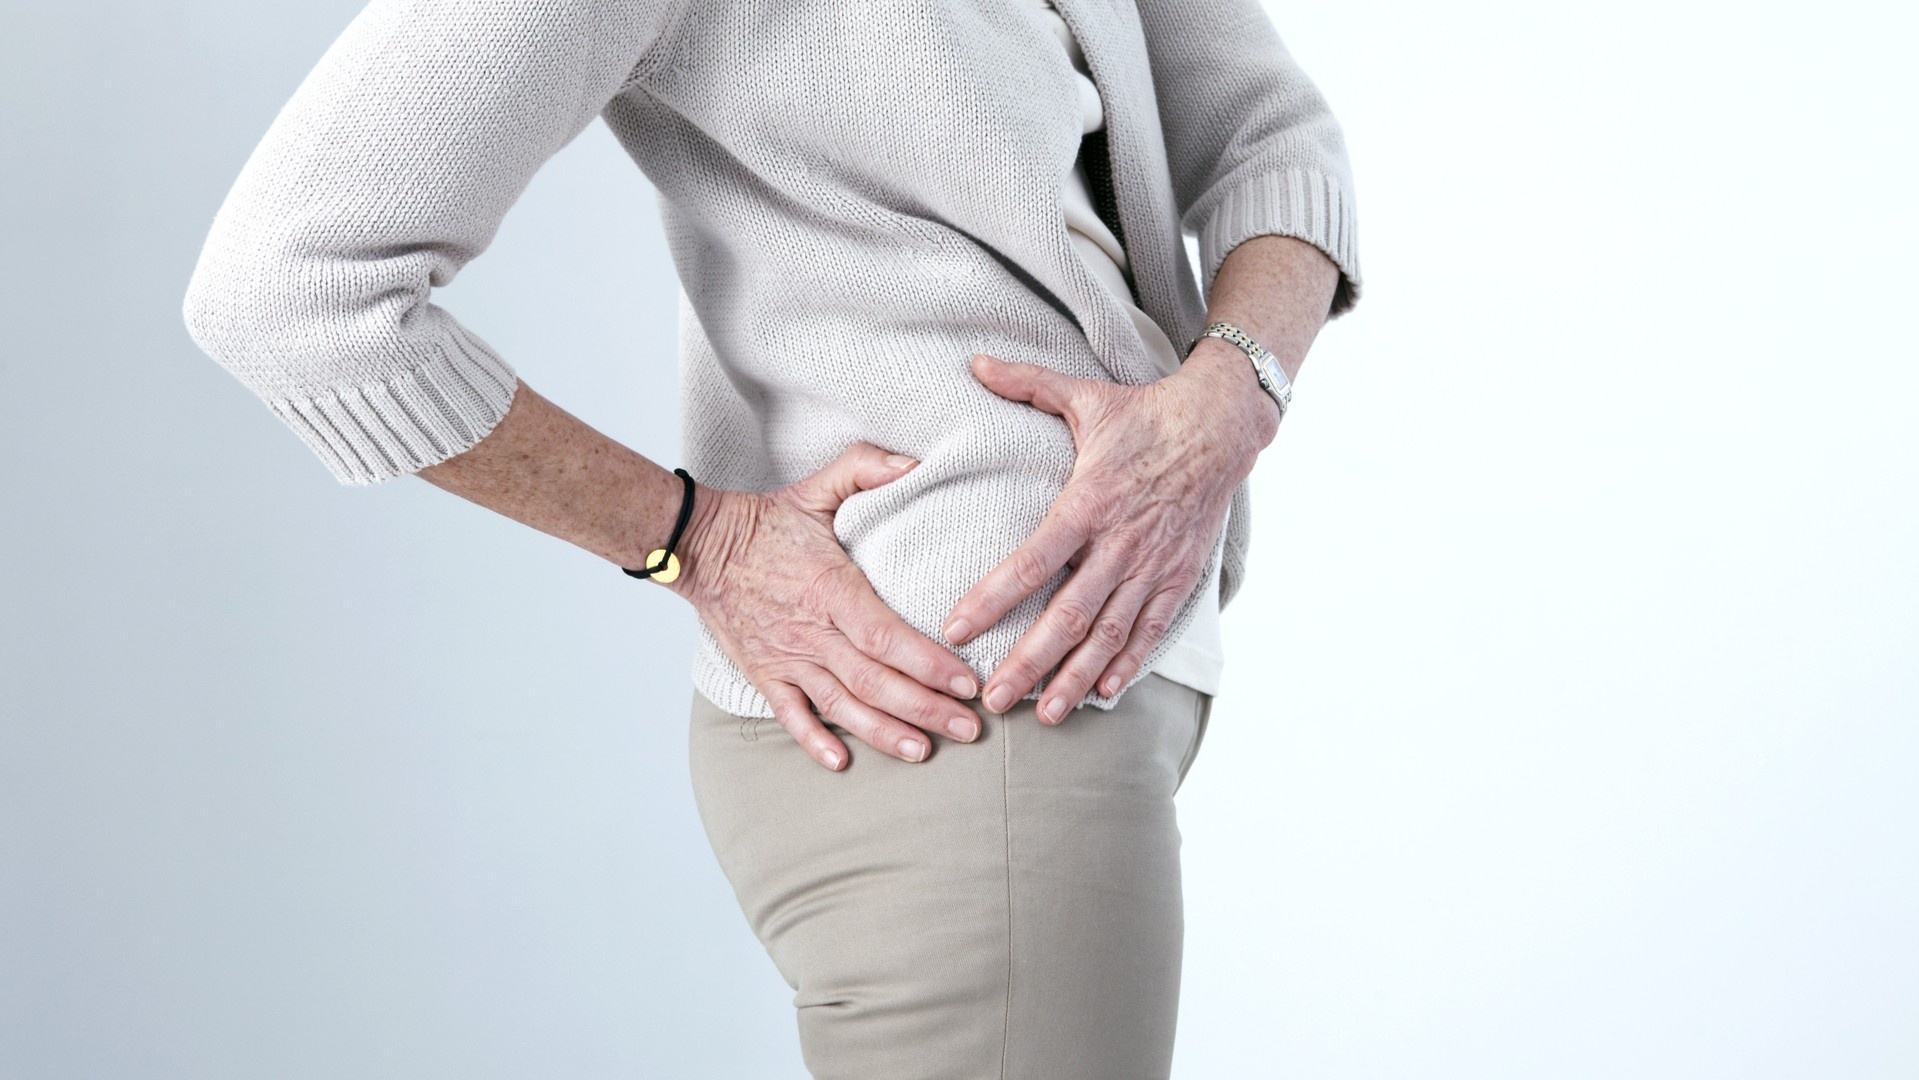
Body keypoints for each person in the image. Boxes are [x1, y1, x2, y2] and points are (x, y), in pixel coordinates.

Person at [182, 0, 1360, 1075]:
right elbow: (285, 289)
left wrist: (1231, 394)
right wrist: (698, 541)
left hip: (1053, 701)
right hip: (945, 704)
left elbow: (1272, 139)